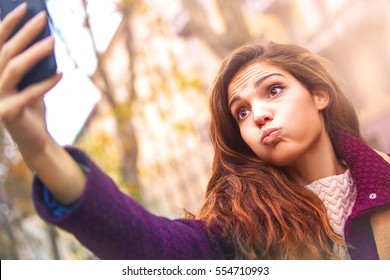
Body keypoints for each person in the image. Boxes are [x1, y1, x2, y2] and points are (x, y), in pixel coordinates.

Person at [0, 4, 389, 260]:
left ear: (319, 95)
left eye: (274, 90)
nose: (258, 116)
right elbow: (143, 243)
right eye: (241, 112)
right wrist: (42, 150)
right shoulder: (241, 234)